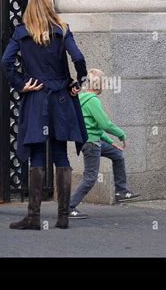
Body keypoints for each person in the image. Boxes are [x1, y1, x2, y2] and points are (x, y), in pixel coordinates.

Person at [2, 0, 87, 230]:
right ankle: (63, 216)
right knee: (61, 154)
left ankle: (33, 216)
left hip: (37, 96)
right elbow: (78, 57)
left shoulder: (22, 32)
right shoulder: (62, 29)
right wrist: (79, 80)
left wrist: (21, 84)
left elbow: (5, 61)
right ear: (51, 8)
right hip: (60, 96)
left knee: (37, 154)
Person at [69, 69, 140, 219]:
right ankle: (69, 207)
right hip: (91, 143)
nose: (104, 85)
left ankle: (121, 191)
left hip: (93, 140)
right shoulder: (93, 100)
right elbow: (105, 124)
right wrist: (121, 134)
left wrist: (109, 142)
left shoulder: (81, 97)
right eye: (103, 82)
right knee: (90, 178)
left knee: (118, 155)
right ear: (97, 84)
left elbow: (93, 126)